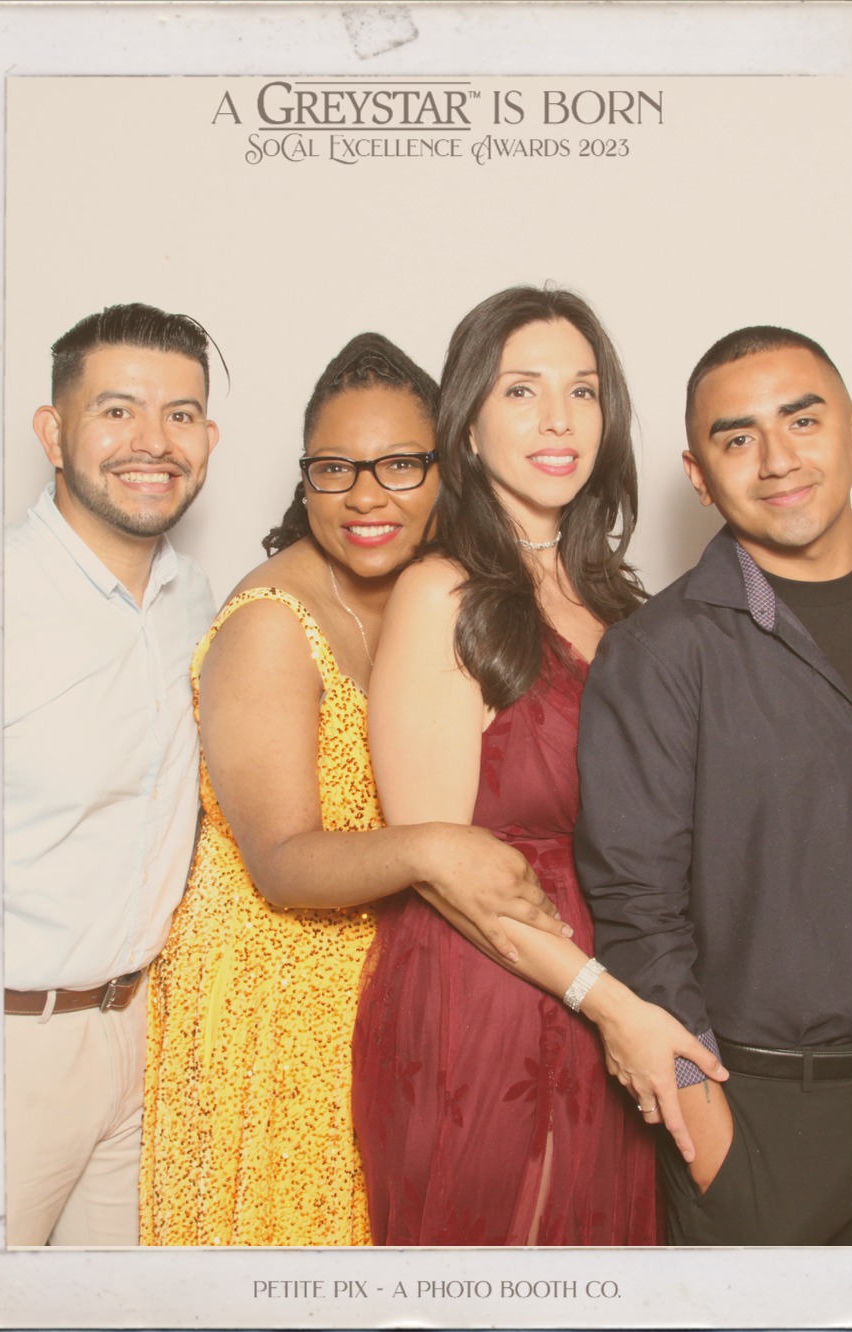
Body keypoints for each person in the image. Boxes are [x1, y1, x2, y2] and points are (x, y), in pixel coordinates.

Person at [139, 333, 567, 1248]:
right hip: (274, 1005)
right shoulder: (272, 622)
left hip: (389, 985)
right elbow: (281, 861)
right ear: (306, 484)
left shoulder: (441, 596)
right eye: (335, 469)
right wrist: (435, 848)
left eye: (400, 465)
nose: (366, 497)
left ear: (448, 469)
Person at [351, 286, 726, 1246]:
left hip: (619, 983)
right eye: (521, 390)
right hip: (489, 990)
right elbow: (438, 866)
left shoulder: (620, 599)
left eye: (583, 390)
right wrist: (608, 1004)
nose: (559, 418)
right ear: (468, 426)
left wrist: (633, 1002)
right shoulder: (442, 593)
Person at [575, 325, 852, 1245]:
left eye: (802, 420)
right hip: (773, 1123)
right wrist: (716, 1149)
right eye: (738, 438)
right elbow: (635, 909)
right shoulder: (660, 653)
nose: (777, 459)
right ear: (699, 476)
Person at [4, 302, 220, 1246]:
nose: (153, 441)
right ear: (53, 434)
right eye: (117, 409)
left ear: (209, 440)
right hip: (0, 1044)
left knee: (114, 1307)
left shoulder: (198, 600)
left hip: (141, 1035)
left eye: (180, 414)